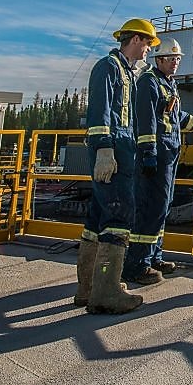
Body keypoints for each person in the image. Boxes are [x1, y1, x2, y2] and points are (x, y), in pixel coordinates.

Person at [75, 17, 158, 314]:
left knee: (98, 218)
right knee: (119, 216)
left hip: (123, 149)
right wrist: (104, 149)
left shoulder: (126, 72)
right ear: (135, 40)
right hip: (113, 151)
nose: (149, 49)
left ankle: (88, 287)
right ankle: (106, 291)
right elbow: (100, 112)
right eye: (148, 43)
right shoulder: (108, 68)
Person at [123, 38, 193, 284]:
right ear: (158, 60)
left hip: (169, 155)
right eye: (171, 59)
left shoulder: (168, 84)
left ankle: (154, 256)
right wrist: (148, 152)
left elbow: (173, 115)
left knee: (162, 207)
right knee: (150, 209)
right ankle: (136, 265)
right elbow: (147, 119)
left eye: (178, 59)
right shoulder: (149, 82)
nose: (175, 63)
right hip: (155, 156)